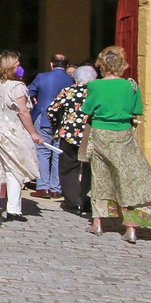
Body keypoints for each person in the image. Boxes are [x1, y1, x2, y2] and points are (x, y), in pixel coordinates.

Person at [82, 46, 151, 243]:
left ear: (102, 64)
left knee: (100, 176)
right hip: (124, 132)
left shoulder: (95, 85)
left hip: (101, 132)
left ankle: (98, 223)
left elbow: (88, 109)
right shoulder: (131, 86)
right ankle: (131, 227)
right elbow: (137, 109)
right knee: (130, 177)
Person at [0, 51, 43, 221]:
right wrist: (33, 132)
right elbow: (23, 112)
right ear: (9, 67)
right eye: (16, 64)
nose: (19, 67)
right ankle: (14, 209)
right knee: (14, 166)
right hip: (10, 129)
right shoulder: (17, 87)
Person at [46, 65, 97, 215]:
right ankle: (86, 202)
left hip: (69, 134)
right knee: (89, 169)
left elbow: (52, 110)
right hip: (90, 135)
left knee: (68, 169)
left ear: (76, 78)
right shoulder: (96, 92)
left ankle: (74, 203)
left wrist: (58, 125)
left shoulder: (69, 91)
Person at [28, 54, 72, 200]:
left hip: (44, 117)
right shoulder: (70, 79)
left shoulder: (42, 76)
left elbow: (29, 92)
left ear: (51, 64)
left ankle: (43, 186)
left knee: (43, 151)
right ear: (66, 65)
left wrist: (36, 103)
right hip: (63, 120)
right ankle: (56, 188)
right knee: (57, 153)